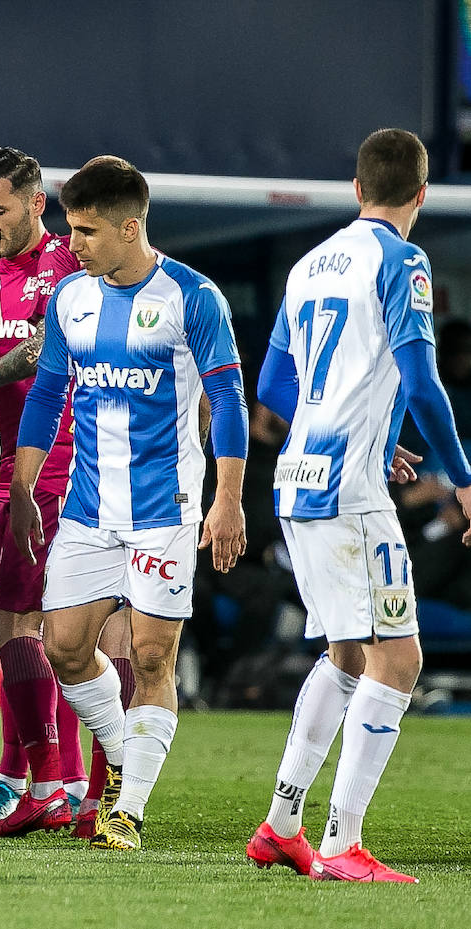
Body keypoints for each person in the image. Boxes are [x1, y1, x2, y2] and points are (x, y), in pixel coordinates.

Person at [247, 128, 471, 883]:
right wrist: (461, 475)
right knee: (399, 658)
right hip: (350, 486)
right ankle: (342, 844)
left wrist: (372, 428)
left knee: (346, 654)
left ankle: (282, 824)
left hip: (299, 474)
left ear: (355, 188)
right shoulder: (403, 260)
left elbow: (275, 390)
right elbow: (424, 379)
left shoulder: (310, 265)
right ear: (420, 194)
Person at [7, 156, 248, 851]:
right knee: (64, 647)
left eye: (85, 231)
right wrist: (23, 487)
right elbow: (50, 394)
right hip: (87, 509)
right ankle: (121, 752)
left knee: (150, 656)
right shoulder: (71, 301)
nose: (72, 244)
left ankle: (128, 808)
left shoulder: (191, 297)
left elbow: (228, 398)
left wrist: (226, 499)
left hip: (166, 508)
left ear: (129, 225)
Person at [0, 147, 101, 835]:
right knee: (14, 620)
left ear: (36, 203)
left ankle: (62, 775)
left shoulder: (65, 267)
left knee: (41, 626)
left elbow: (48, 365)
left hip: (52, 466)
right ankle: (19, 771)